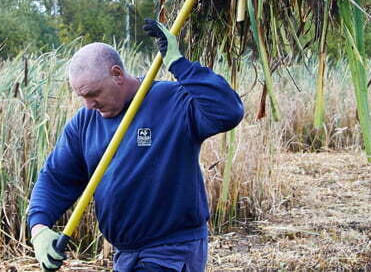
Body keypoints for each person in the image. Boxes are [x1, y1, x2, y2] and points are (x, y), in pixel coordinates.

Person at [27, 19, 245, 271]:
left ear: (117, 74)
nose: (89, 104)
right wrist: (39, 228)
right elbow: (56, 178)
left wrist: (178, 63)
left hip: (171, 250)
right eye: (82, 96)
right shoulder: (85, 122)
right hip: (125, 253)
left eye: (93, 94)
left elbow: (228, 112)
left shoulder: (172, 101)